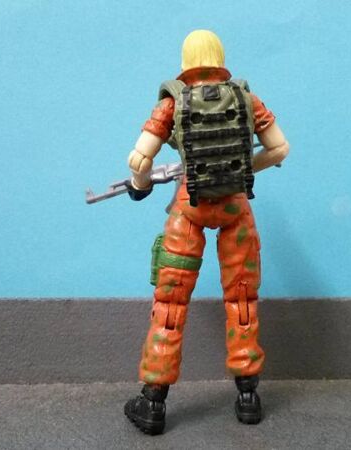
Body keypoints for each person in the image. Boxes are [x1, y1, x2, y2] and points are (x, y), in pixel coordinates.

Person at [123, 29, 289, 435]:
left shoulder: (172, 103)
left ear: (186, 61)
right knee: (242, 298)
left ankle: (153, 401)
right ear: (220, 58)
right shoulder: (246, 99)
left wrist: (141, 187)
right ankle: (248, 397)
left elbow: (139, 160)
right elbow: (280, 148)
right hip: (236, 206)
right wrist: (245, 171)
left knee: (170, 303)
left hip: (189, 207)